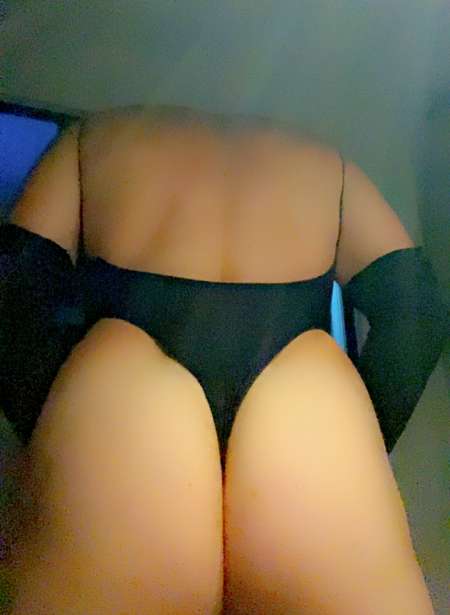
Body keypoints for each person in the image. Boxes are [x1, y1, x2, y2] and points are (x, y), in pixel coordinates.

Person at [0, 104, 446, 614]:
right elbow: (417, 314)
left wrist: (52, 428)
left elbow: (13, 294)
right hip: (304, 385)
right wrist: (364, 433)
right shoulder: (328, 161)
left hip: (127, 374)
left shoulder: (93, 139)